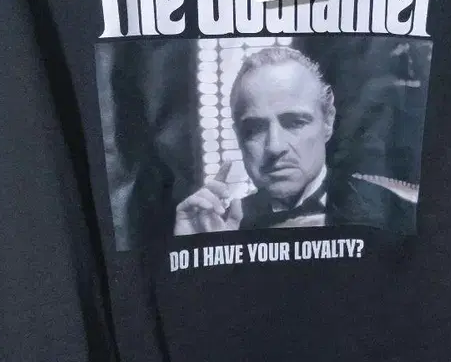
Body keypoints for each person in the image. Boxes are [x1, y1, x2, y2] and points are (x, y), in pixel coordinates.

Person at [173, 46, 417, 235]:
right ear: (238, 136)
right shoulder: (219, 227)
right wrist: (199, 254)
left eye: (294, 123)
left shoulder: (394, 212)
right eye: (255, 129)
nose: (275, 146)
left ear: (328, 121)